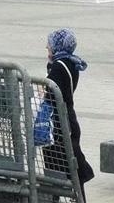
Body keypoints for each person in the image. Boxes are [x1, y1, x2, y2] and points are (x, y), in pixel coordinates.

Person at [44, 29, 95, 201]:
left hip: (59, 124)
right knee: (70, 165)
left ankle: (67, 198)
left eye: (49, 45)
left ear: (58, 46)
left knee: (61, 166)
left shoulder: (59, 67)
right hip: (68, 120)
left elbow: (50, 94)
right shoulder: (71, 62)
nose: (47, 47)